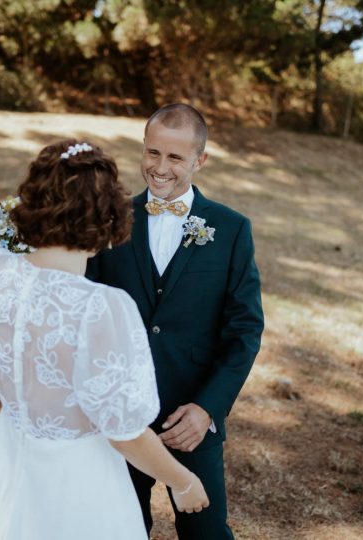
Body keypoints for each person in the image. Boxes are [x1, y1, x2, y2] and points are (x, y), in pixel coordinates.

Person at [0, 139, 209, 540]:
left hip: (10, 456)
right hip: (80, 477)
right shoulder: (101, 306)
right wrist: (183, 481)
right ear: (108, 220)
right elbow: (127, 433)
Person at [86, 104, 264, 539]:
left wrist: (207, 409)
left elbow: (244, 331)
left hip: (191, 418)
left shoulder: (231, 229)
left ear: (199, 160)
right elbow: (88, 313)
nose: (159, 167)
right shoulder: (112, 220)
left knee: (207, 532)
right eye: (152, 153)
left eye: (174, 158)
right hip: (122, 417)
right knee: (120, 529)